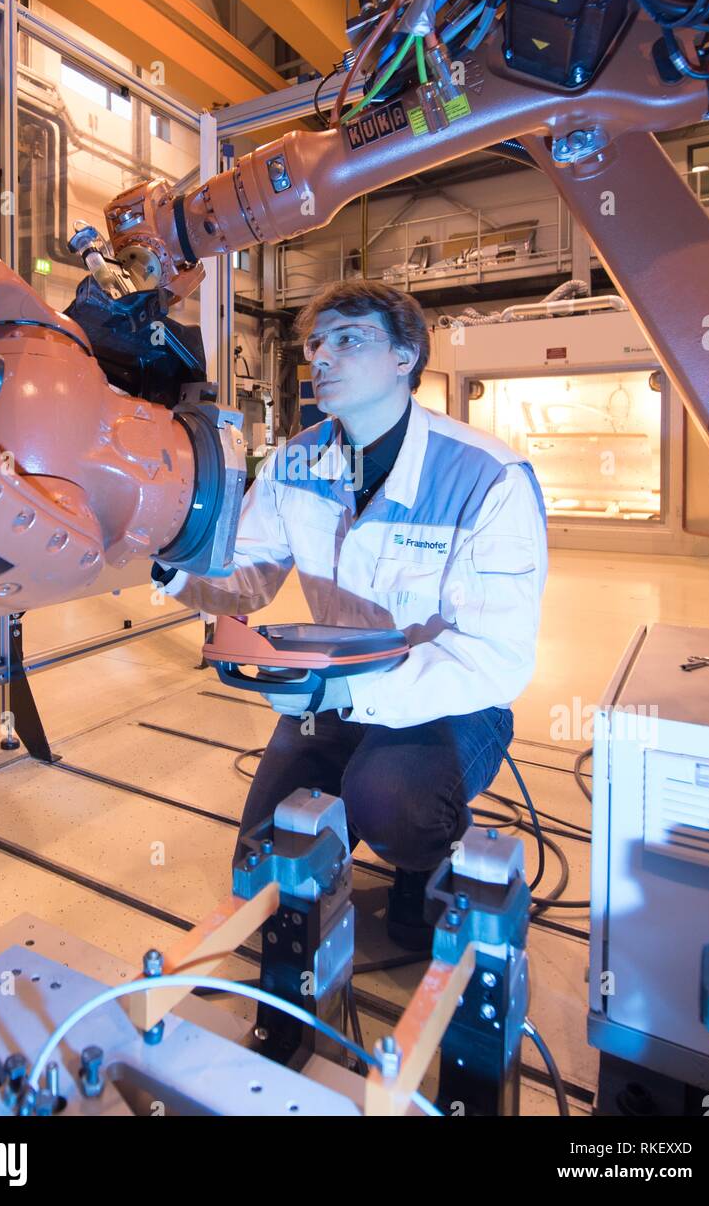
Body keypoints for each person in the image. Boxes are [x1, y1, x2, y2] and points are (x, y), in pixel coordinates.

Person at [152, 278, 547, 949]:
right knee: (265, 867)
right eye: (315, 343)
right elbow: (244, 581)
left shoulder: (487, 476)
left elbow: (496, 655)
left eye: (348, 338)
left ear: (406, 356)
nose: (321, 357)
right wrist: (167, 554)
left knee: (392, 801)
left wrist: (356, 690)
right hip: (330, 692)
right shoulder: (297, 461)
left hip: (447, 701)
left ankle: (427, 867)